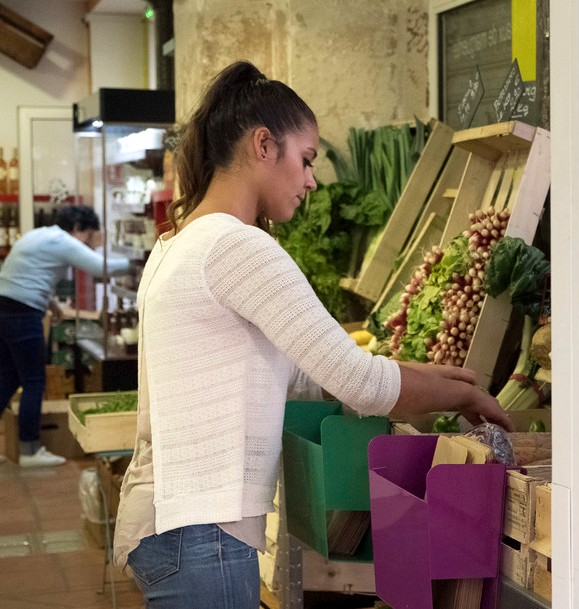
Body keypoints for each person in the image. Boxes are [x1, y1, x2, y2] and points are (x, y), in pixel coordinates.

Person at [112, 61, 513, 608]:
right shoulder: (237, 248)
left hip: (174, 522)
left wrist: (430, 376)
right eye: (305, 160)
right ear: (263, 145)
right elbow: (358, 382)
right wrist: (466, 394)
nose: (310, 180)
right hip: (200, 530)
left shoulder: (180, 244)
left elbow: (308, 375)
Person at [0, 205, 129, 467]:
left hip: (6, 307)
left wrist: (51, 303)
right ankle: (29, 450)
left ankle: (27, 447)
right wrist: (145, 258)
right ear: (80, 230)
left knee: (8, 378)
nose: (93, 243)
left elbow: (27, 274)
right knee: (35, 381)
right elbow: (101, 268)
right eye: (93, 235)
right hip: (23, 313)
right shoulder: (63, 241)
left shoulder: (41, 235)